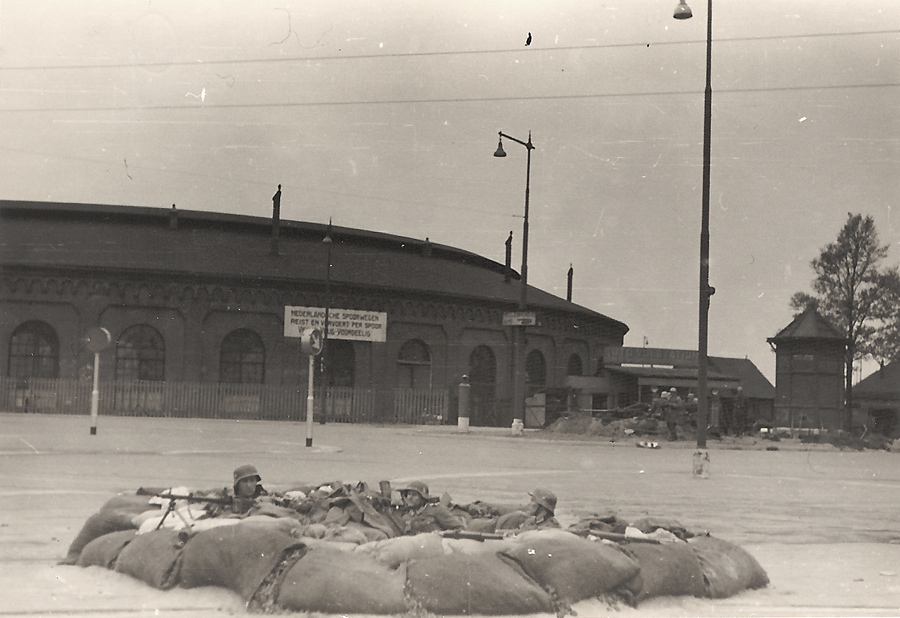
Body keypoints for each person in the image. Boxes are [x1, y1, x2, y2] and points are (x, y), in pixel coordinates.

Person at [396, 480, 466, 535]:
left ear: (423, 498)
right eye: (408, 494)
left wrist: (441, 535)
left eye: (414, 495)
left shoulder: (436, 511)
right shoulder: (406, 516)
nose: (410, 498)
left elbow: (459, 529)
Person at [495, 488, 560, 532]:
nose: (529, 504)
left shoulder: (551, 527)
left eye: (532, 500)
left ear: (542, 507)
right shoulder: (530, 521)